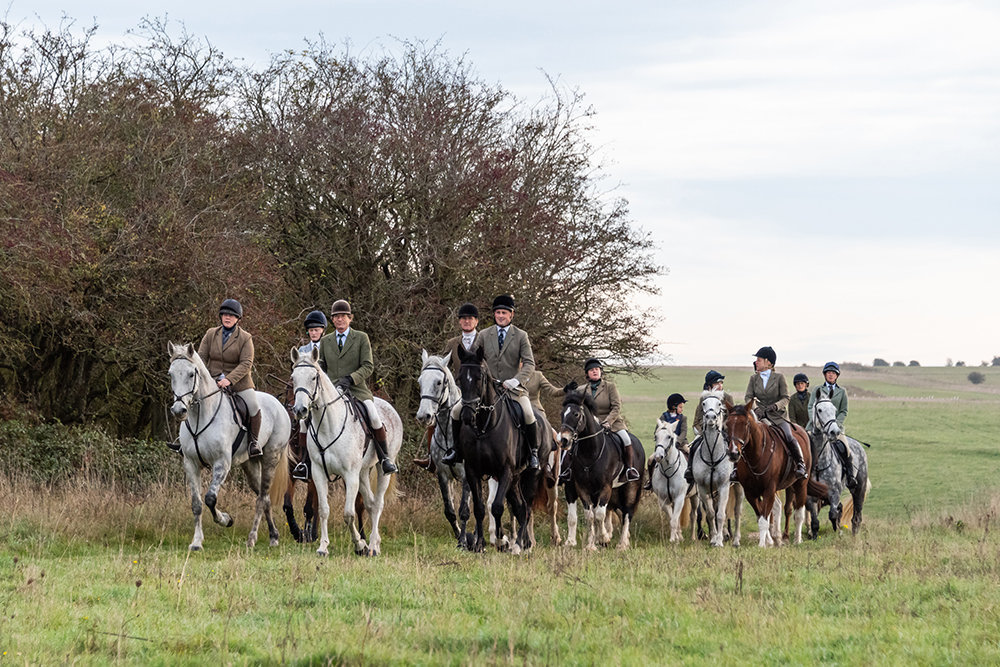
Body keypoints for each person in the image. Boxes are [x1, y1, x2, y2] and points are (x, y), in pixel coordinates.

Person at [442, 294, 541, 470]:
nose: (501, 316)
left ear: (511, 315)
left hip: (513, 389)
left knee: (528, 413)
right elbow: (472, 358)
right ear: (494, 315)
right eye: (498, 313)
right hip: (487, 389)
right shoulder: (485, 335)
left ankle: (533, 453)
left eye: (504, 312)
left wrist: (515, 380)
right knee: (456, 411)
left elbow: (529, 364)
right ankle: (455, 449)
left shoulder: (521, 336)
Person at [317, 300, 397, 475]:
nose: (339, 320)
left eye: (343, 317)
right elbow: (321, 368)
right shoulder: (325, 341)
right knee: (310, 418)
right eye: (336, 317)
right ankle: (307, 461)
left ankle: (384, 458)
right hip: (332, 392)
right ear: (332, 320)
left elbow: (368, 366)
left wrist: (351, 379)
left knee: (374, 417)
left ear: (350, 318)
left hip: (357, 390)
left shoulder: (361, 338)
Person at [414, 302, 481, 473]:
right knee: (436, 414)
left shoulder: (484, 340)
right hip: (457, 389)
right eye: (463, 319)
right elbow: (442, 368)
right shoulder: (452, 343)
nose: (467, 321)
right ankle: (431, 456)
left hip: (478, 389)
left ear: (476, 321)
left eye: (470, 318)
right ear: (459, 322)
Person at [190, 298, 262, 457]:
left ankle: (253, 442)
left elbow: (246, 363)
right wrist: (206, 379)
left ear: (238, 319)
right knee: (189, 400)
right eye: (224, 314)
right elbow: (201, 357)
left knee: (253, 406)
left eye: (231, 315)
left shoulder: (245, 338)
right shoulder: (210, 334)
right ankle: (185, 441)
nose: (227, 317)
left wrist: (229, 379)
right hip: (212, 381)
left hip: (239, 383)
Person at [560, 358, 639, 484]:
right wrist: (568, 390)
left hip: (612, 422)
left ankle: (630, 469)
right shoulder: (582, 389)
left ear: (601, 372)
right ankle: (567, 469)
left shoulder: (610, 387)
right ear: (587, 374)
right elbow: (572, 405)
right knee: (572, 442)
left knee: (626, 439)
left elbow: (616, 407)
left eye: (597, 369)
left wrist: (608, 421)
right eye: (591, 370)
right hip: (590, 423)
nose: (595, 371)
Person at [745, 346, 806, 479]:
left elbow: (786, 397)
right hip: (760, 415)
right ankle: (736, 468)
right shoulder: (753, 378)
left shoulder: (779, 378)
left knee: (790, 437)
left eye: (759, 359)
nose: (756, 362)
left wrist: (776, 406)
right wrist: (755, 409)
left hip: (778, 417)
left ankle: (800, 465)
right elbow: (748, 397)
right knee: (745, 436)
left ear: (768, 362)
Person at [291, 310, 328, 480]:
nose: (314, 332)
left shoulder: (329, 347)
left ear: (323, 330)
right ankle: (304, 462)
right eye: (311, 330)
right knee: (302, 424)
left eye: (317, 329)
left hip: (326, 394)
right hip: (308, 396)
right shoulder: (302, 350)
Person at [808, 361, 855, 488]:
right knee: (802, 446)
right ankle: (800, 473)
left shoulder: (842, 392)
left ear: (837, 376)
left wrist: (836, 424)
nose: (830, 375)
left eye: (833, 373)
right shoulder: (817, 390)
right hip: (816, 426)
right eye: (828, 373)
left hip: (835, 427)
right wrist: (815, 423)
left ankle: (850, 476)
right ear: (825, 374)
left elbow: (843, 411)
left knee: (846, 448)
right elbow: (810, 407)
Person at [683, 370, 734, 484]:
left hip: (724, 431)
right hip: (706, 432)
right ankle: (690, 470)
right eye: (717, 383)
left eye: (721, 383)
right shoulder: (704, 398)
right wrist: (703, 429)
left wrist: (722, 426)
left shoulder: (728, 397)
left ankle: (736, 471)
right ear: (710, 385)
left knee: (735, 448)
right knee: (694, 447)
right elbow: (699, 418)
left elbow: (731, 418)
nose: (720, 385)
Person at [646, 393, 686, 489]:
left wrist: (677, 442)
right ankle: (651, 480)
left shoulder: (683, 418)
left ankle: (691, 476)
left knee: (690, 452)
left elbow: (684, 432)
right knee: (651, 459)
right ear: (674, 407)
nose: (682, 409)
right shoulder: (663, 417)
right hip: (664, 445)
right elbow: (657, 431)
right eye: (680, 407)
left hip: (680, 444)